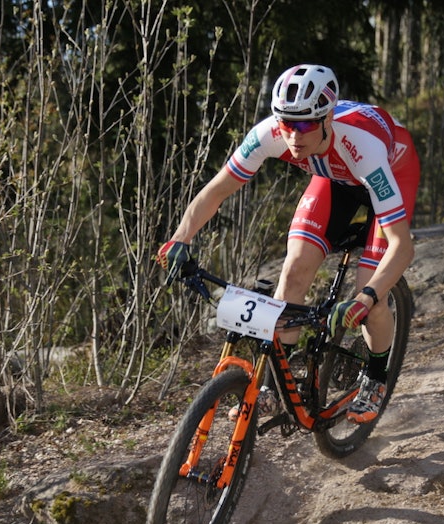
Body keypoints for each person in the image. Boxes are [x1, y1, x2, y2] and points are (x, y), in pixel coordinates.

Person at [158, 63, 420, 424]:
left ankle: (375, 378)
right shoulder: (271, 134)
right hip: (333, 176)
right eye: (286, 123)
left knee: (369, 293)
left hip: (390, 170)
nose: (293, 136)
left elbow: (402, 247)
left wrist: (368, 296)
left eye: (304, 124)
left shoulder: (362, 146)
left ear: (327, 119)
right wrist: (180, 239)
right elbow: (217, 190)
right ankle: (272, 390)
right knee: (293, 271)